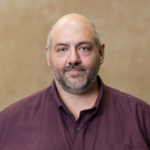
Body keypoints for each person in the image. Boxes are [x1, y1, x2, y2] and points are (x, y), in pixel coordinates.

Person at [0, 13, 150, 150]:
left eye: (83, 48)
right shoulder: (8, 122)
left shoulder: (142, 117)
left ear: (101, 53)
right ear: (48, 56)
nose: (73, 59)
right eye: (62, 49)